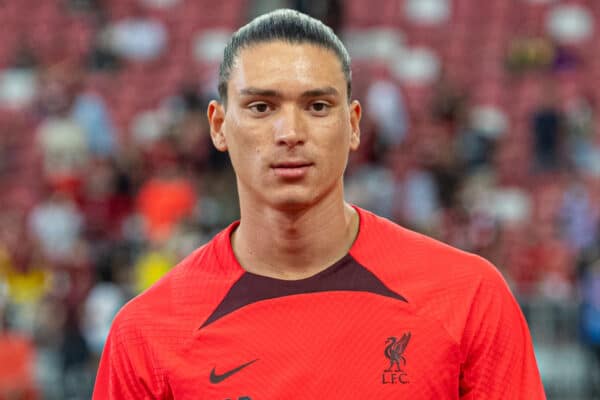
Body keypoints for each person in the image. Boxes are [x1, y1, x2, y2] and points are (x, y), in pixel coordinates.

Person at [93, 9, 546, 399]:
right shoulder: (148, 333)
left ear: (352, 126)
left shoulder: (468, 298)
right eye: (260, 107)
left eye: (317, 106)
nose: (290, 132)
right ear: (218, 126)